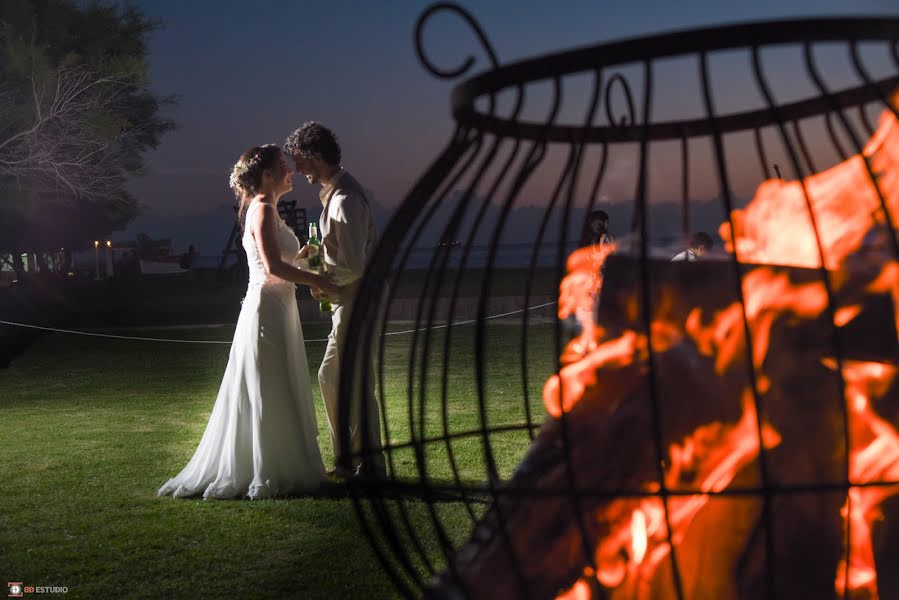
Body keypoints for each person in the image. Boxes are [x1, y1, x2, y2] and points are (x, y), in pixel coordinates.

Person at [158, 145, 339, 499]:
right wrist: (318, 280)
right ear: (267, 175)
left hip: (279, 307)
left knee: (277, 383)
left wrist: (304, 259)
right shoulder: (262, 210)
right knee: (267, 386)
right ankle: (267, 467)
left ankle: (287, 461)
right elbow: (271, 268)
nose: (291, 172)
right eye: (284, 167)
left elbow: (280, 263)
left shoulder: (269, 210)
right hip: (266, 312)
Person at [285, 122, 386, 479]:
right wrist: (317, 254)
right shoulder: (336, 196)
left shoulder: (344, 199)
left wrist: (319, 280)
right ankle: (347, 456)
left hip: (356, 301)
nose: (298, 170)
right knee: (330, 376)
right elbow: (342, 251)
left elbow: (352, 264)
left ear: (315, 157)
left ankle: (368, 462)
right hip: (347, 301)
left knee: (355, 381)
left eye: (300, 161)